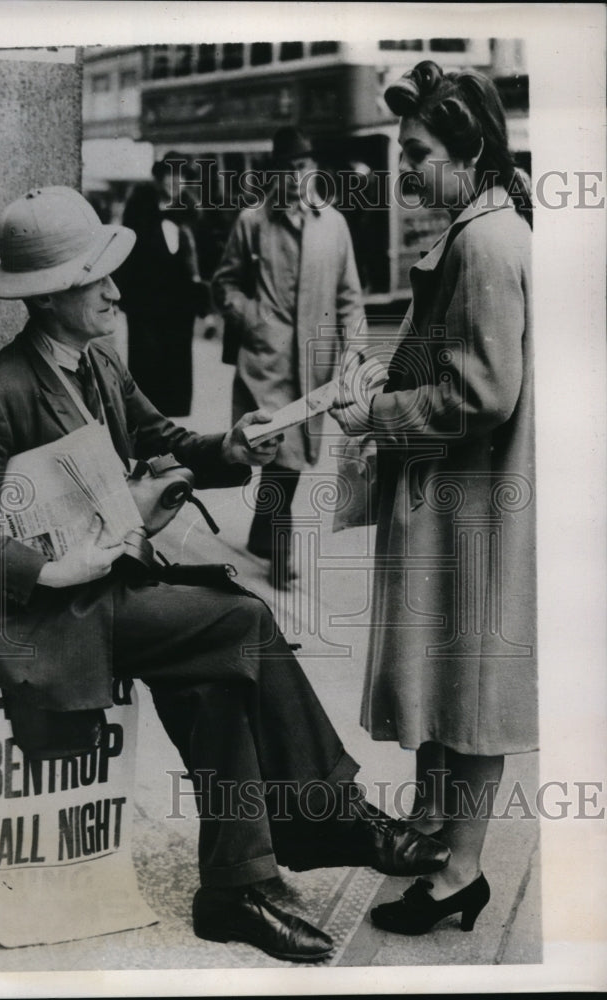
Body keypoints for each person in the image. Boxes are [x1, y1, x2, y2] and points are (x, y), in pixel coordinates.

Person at [0, 185, 449, 962]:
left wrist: (233, 447)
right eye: (94, 278)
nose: (114, 289)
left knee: (216, 679)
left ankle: (233, 890)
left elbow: (164, 437)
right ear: (48, 298)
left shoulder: (96, 364)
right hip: (44, 616)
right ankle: (326, 813)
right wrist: (57, 568)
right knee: (240, 618)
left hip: (110, 593)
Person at [331, 61, 535, 936]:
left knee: (473, 687)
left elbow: (484, 391)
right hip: (465, 501)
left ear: (471, 149)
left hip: (474, 508)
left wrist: (380, 409)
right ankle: (433, 838)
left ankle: (459, 873)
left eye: (416, 150)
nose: (404, 167)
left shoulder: (486, 242)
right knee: (452, 680)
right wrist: (393, 370)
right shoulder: (484, 227)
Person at [212, 126, 366, 589]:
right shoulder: (252, 223)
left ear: (313, 169)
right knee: (282, 455)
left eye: (301, 167)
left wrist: (354, 349)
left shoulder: (334, 224)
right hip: (268, 361)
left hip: (312, 364)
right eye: (285, 169)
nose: (294, 177)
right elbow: (225, 283)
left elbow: (348, 296)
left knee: (288, 456)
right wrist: (253, 317)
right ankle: (279, 552)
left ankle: (262, 538)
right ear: (273, 174)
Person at [112, 152, 210, 417]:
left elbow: (202, 260)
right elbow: (127, 255)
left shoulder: (192, 214)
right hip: (145, 309)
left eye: (181, 177)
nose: (175, 183)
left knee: (175, 376)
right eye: (170, 175)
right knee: (146, 374)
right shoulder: (140, 209)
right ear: (159, 178)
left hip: (179, 311)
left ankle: (171, 438)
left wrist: (202, 299)